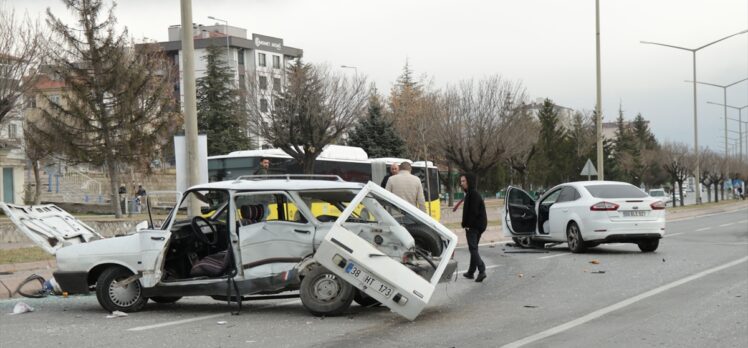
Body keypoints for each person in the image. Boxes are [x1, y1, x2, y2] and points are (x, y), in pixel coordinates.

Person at [460, 173, 487, 282]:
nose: (461, 183)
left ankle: (481, 269)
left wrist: (467, 225)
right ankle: (471, 272)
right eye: (461, 181)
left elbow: (473, 212)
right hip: (477, 225)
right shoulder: (470, 194)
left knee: (473, 248)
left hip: (474, 226)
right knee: (474, 248)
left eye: (463, 181)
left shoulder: (473, 194)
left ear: (469, 181)